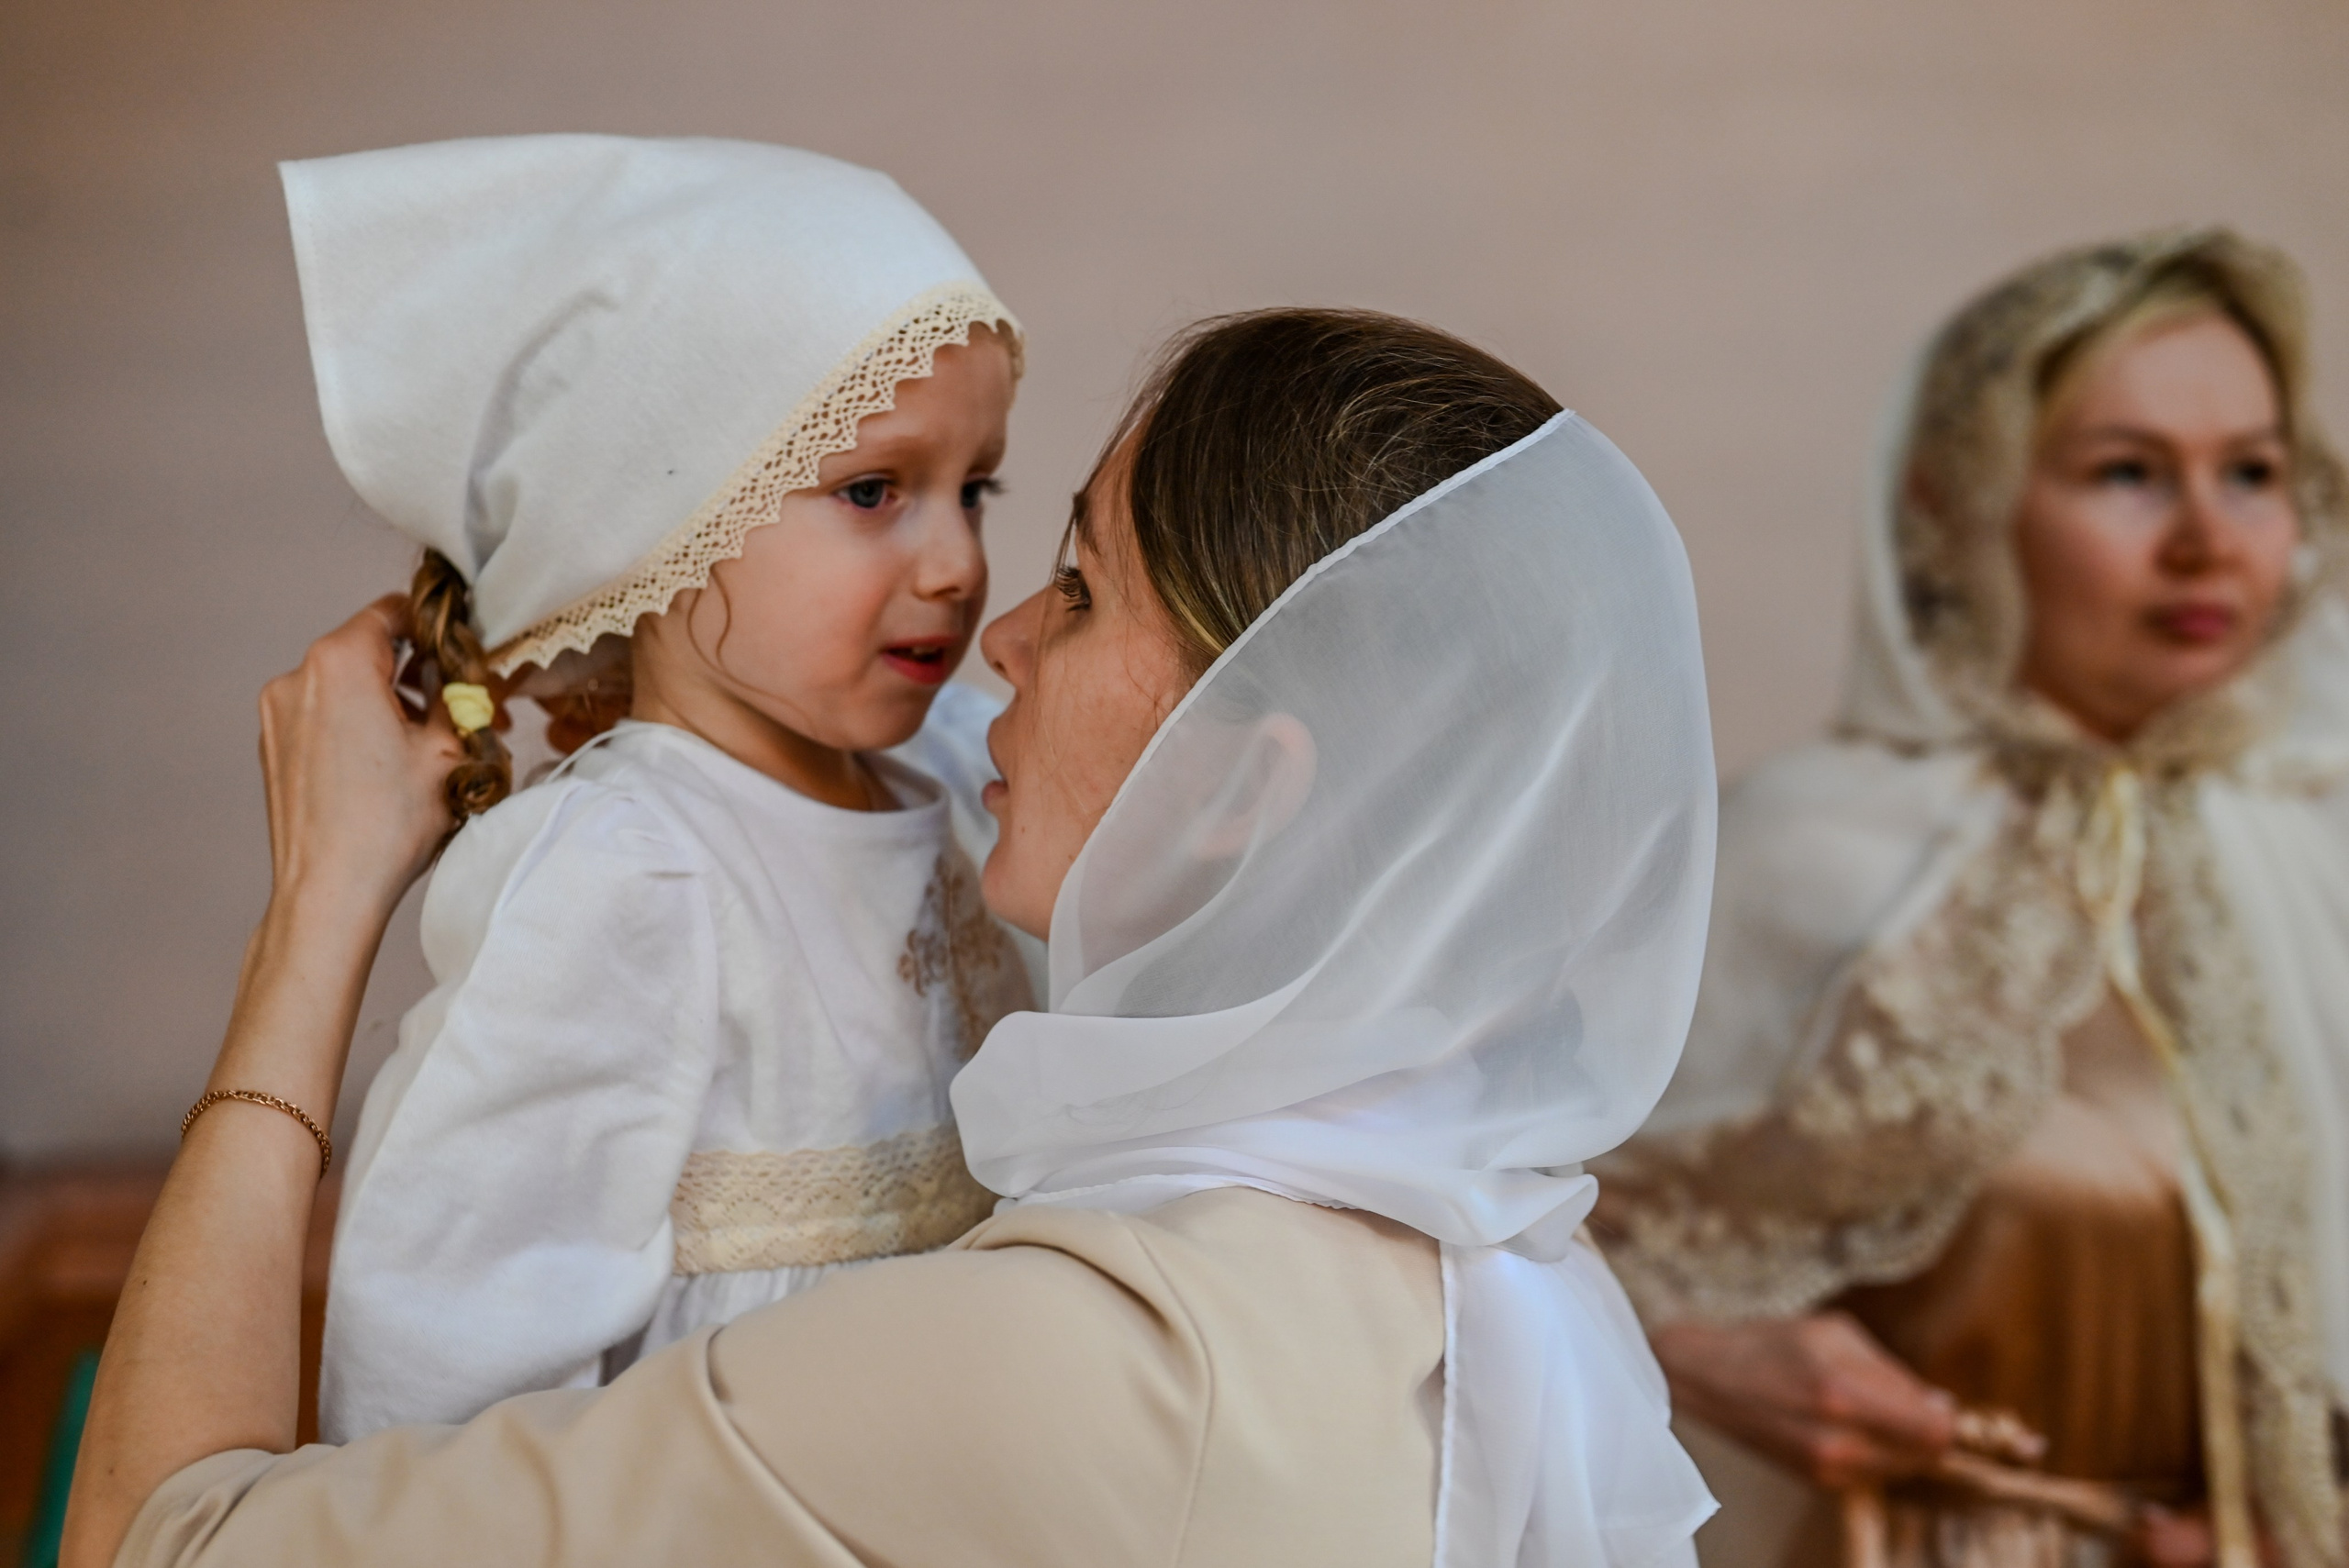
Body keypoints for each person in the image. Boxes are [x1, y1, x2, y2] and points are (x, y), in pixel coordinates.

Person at [61, 307, 1720, 1567]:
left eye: (1074, 583)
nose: (991, 630)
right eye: (872, 491)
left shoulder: (1082, 1370)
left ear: (1238, 786)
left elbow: (170, 1539)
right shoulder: (1502, 1281)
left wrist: (322, 899)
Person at [1592, 230, 2349, 1568]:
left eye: (2253, 472)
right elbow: (1507, 1224)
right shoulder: (1806, 852)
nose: (2205, 538)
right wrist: (1699, 1350)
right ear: (1960, 505)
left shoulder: (2320, 838)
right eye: (2127, 472)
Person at [275, 135, 1036, 1440]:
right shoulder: (629, 867)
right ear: (667, 519)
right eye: (874, 491)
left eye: (975, 490)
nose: (961, 562)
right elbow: (444, 1345)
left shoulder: (966, 769)